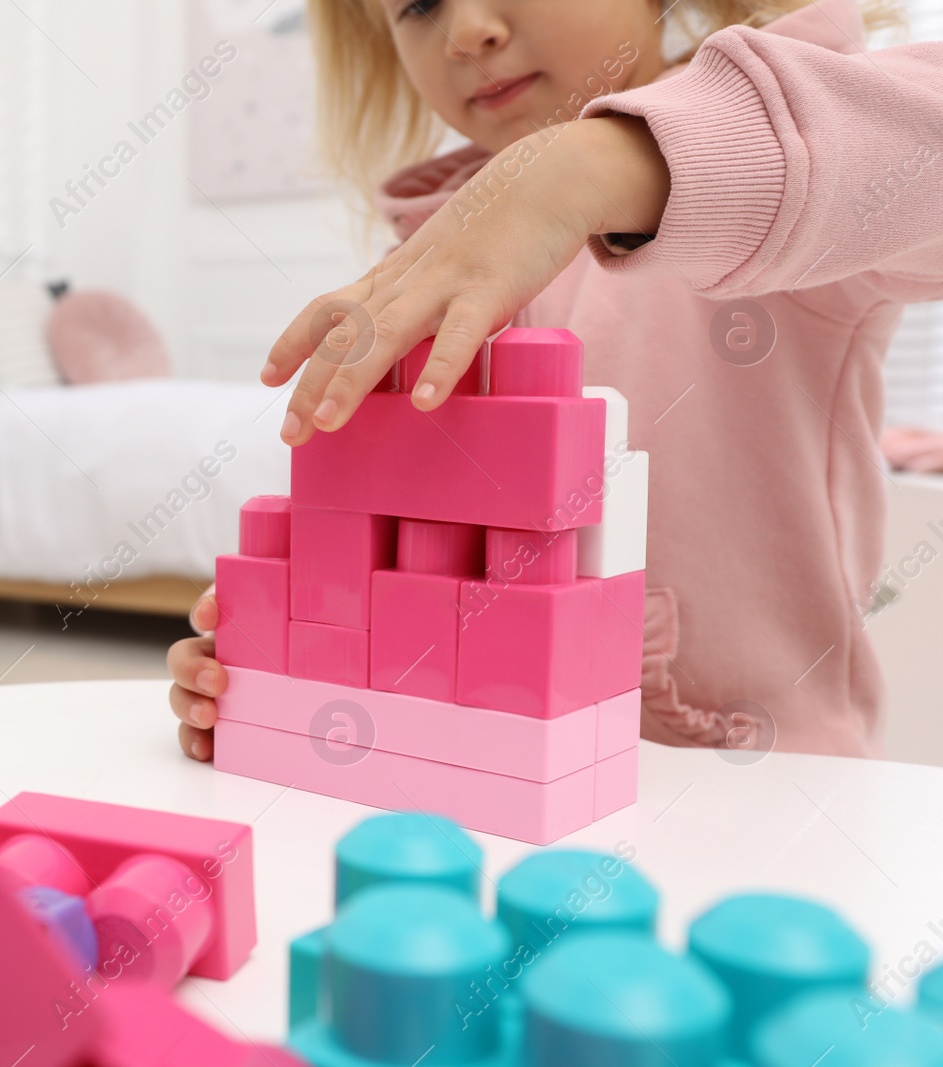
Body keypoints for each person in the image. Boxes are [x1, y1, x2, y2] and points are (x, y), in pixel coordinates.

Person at [169, 0, 941, 760]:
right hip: (499, 797)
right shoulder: (430, 266)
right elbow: (421, 571)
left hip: (761, 790)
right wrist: (297, 657)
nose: (468, 31)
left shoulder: (784, 156)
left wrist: (581, 168)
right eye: (419, 6)